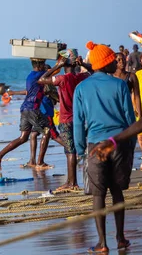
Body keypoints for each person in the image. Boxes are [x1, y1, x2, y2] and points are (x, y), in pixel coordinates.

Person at [73, 41, 135, 253]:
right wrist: (130, 144)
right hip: (118, 143)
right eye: (112, 61)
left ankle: (102, 243)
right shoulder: (119, 85)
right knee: (117, 191)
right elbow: (130, 118)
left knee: (98, 194)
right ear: (105, 64)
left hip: (95, 145)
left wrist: (81, 148)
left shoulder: (81, 88)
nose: (116, 65)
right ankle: (120, 238)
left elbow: (78, 121)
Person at [0, 58, 65, 172]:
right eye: (44, 64)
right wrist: (60, 64)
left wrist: (58, 65)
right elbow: (54, 73)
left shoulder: (31, 75)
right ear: (40, 65)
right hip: (33, 109)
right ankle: (42, 161)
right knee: (48, 131)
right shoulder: (40, 75)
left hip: (24, 109)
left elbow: (50, 74)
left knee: (23, 137)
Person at [38, 51, 89, 191]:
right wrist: (83, 63)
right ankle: (72, 181)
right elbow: (94, 72)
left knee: (70, 151)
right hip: (79, 118)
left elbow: (41, 80)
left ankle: (72, 183)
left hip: (66, 119)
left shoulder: (61, 79)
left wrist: (55, 67)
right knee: (79, 149)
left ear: (63, 62)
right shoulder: (81, 77)